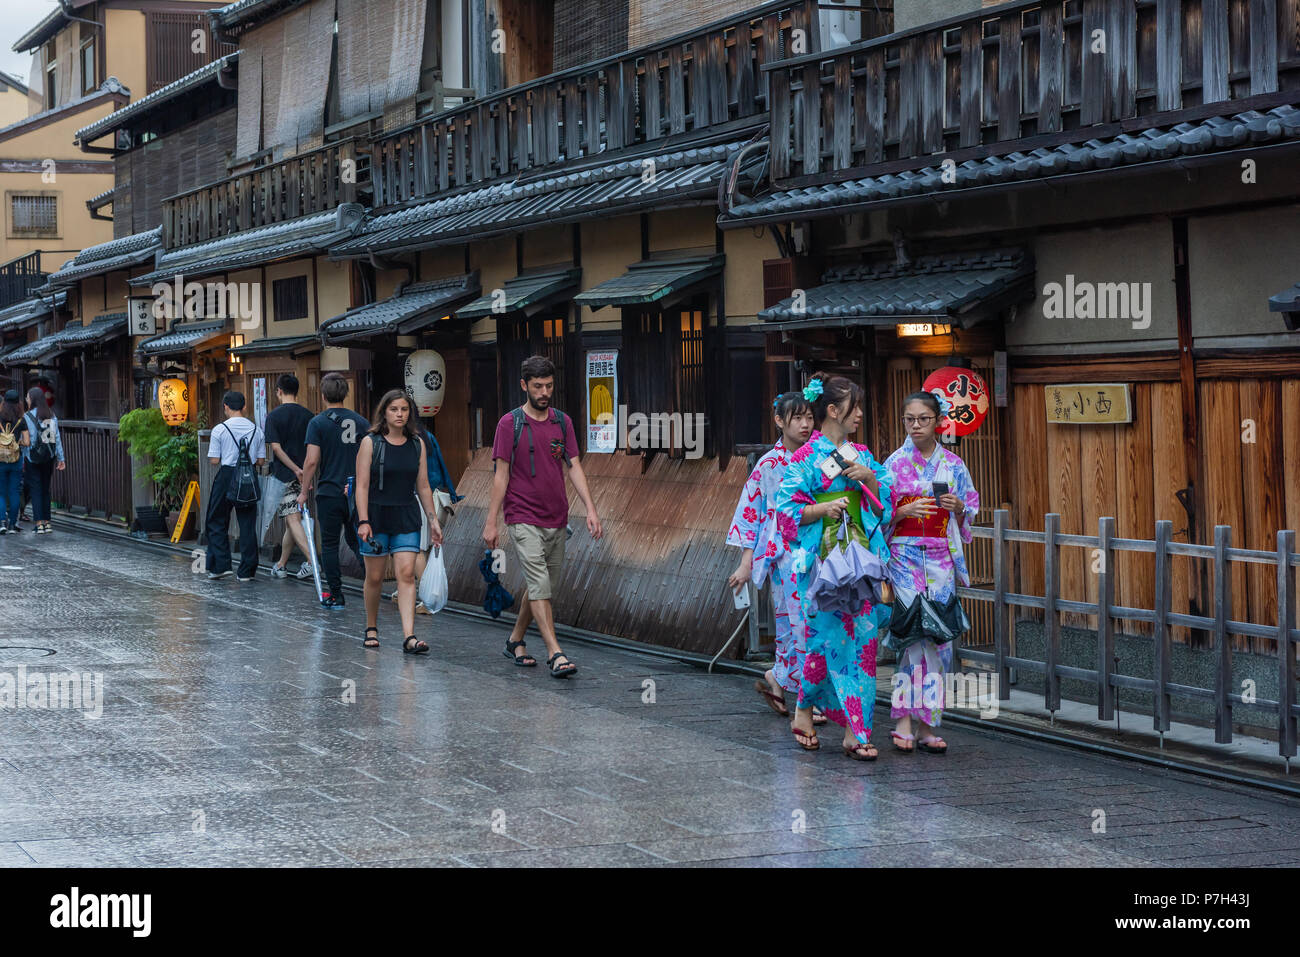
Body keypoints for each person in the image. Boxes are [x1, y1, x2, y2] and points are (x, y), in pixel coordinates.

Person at [773, 373, 893, 760]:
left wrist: (870, 478)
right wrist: (823, 508)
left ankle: (854, 729)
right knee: (826, 644)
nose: (859, 414)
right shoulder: (804, 458)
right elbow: (786, 514)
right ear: (832, 410)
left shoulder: (863, 454)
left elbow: (886, 504)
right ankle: (807, 709)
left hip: (858, 563)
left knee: (863, 645)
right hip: (823, 564)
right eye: (853, 407)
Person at [483, 355, 602, 678]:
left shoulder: (562, 422)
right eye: (537, 386)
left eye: (549, 385)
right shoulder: (509, 424)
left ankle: (515, 640)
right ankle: (556, 652)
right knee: (539, 584)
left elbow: (574, 466)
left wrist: (590, 509)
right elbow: (501, 476)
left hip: (557, 517)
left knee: (542, 587)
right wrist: (492, 520)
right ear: (524, 386)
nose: (544, 392)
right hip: (522, 515)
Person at [883, 391, 980, 756]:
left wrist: (957, 508)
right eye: (910, 419)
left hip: (940, 557)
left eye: (924, 418)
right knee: (913, 635)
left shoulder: (953, 465)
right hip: (904, 556)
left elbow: (970, 507)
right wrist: (902, 513)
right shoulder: (892, 465)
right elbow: (877, 514)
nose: (917, 425)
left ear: (937, 421)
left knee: (939, 639)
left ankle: (928, 724)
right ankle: (904, 721)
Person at [726, 392, 827, 726]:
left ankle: (780, 680)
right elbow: (751, 513)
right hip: (785, 556)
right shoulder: (769, 464)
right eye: (796, 418)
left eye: (809, 417)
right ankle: (807, 699)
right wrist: (745, 562)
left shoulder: (822, 456)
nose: (804, 424)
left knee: (815, 623)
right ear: (780, 421)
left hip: (822, 551)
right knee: (795, 625)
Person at [354, 389, 443, 653]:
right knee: (376, 577)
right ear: (384, 412)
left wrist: (433, 520)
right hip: (376, 515)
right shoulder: (371, 442)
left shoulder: (417, 443)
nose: (400, 414)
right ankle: (371, 626)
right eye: (394, 409)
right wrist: (363, 520)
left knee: (406, 574)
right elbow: (361, 486)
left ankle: (409, 635)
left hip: (406, 514)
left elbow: (424, 486)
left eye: (404, 409)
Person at [299, 373, 369, 609]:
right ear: (345, 394)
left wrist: (303, 490)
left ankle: (336, 594)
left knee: (329, 544)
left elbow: (311, 461)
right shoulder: (361, 422)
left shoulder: (317, 423)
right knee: (357, 539)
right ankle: (373, 582)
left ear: (322, 394)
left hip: (329, 490)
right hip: (356, 491)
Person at [205, 390, 266, 581]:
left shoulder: (220, 429)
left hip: (226, 476)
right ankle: (247, 571)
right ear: (244, 406)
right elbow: (261, 461)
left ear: (225, 406)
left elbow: (215, 460)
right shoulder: (257, 430)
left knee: (216, 519)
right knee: (247, 523)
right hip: (248, 477)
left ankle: (221, 565)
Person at [405, 419, 463, 614]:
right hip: (436, 495)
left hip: (418, 497)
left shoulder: (409, 439)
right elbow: (442, 465)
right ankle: (429, 592)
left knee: (418, 549)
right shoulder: (428, 437)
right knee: (429, 547)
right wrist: (452, 491)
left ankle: (428, 598)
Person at [263, 374, 316, 581]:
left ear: (279, 391)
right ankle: (281, 564)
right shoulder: (309, 415)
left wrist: (295, 469)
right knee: (290, 520)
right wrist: (305, 471)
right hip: (306, 475)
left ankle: (312, 562)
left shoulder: (274, 416)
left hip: (285, 475)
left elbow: (276, 448)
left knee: (293, 518)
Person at [21, 387, 65, 534]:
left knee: (36, 490)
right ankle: (47, 523)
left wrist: (24, 453)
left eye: (27, 397)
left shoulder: (27, 417)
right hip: (48, 457)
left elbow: (28, 440)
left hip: (32, 458)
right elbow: (55, 438)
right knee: (46, 489)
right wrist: (61, 458)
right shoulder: (50, 415)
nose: (26, 400)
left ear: (32, 399)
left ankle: (39, 523)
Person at [0, 390, 26, 533]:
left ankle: (1, 523)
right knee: (14, 492)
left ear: (4, 402)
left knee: (1, 493)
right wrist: (18, 443)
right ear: (18, 404)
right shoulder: (21, 419)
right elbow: (27, 441)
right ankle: (12, 525)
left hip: (0, 459)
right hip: (16, 459)